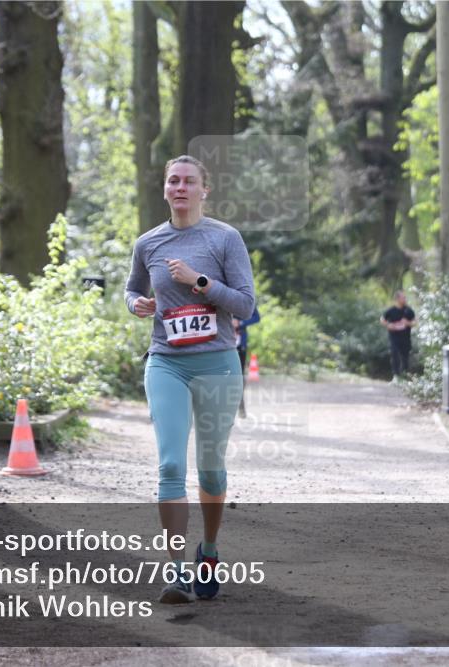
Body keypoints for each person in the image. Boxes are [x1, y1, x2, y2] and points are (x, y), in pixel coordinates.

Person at [125, 155, 256, 604]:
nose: (180, 187)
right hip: (167, 362)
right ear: (165, 189)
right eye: (173, 181)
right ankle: (177, 570)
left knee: (211, 470)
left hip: (218, 363)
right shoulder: (148, 243)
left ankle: (210, 551)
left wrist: (200, 282)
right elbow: (132, 287)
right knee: (170, 466)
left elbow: (245, 304)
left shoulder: (225, 238)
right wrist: (136, 304)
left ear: (204, 190)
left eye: (189, 181)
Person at [232, 305, 260, 418]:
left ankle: (241, 406)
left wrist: (240, 323)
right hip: (221, 344)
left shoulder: (245, 296)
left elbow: (256, 317)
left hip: (240, 345)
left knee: (240, 376)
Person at [380, 290, 415, 378]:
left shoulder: (408, 310)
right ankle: (396, 375)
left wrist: (408, 323)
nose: (405, 299)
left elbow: (415, 321)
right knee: (394, 354)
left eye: (405, 297)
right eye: (403, 297)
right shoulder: (391, 310)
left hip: (406, 337)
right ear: (397, 299)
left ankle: (405, 376)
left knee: (405, 357)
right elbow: (382, 319)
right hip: (394, 337)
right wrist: (388, 325)